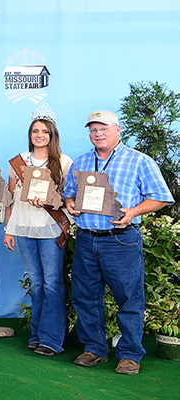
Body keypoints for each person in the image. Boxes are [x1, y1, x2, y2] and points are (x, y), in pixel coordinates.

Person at [63, 110, 172, 375]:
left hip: (121, 240)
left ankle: (130, 354)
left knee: (129, 298)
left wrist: (133, 213)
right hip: (87, 240)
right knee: (86, 297)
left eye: (103, 129)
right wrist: (70, 204)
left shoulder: (139, 161)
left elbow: (161, 197)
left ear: (118, 130)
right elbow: (68, 195)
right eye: (93, 130)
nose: (98, 134)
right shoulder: (81, 162)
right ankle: (94, 348)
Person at [3, 103, 72, 356]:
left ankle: (52, 340)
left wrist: (50, 200)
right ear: (30, 135)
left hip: (50, 228)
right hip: (23, 228)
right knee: (36, 283)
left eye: (44, 131)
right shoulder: (18, 162)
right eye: (35, 131)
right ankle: (37, 334)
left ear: (52, 135)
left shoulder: (64, 162)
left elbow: (69, 198)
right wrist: (8, 230)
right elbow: (10, 198)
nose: (39, 135)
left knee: (52, 282)